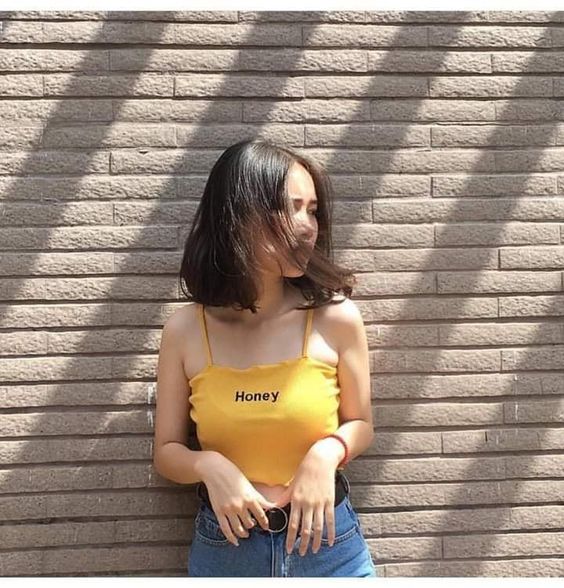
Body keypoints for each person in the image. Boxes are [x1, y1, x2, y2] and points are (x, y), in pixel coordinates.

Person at [152, 139, 377, 577]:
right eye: (293, 208)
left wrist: (327, 453)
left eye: (313, 210)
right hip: (227, 551)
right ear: (241, 215)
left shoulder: (336, 319)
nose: (308, 225)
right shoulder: (185, 330)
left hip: (329, 548)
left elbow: (361, 423)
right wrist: (208, 465)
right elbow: (167, 451)